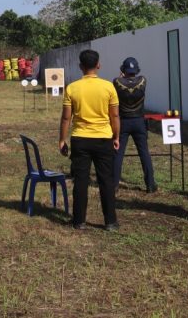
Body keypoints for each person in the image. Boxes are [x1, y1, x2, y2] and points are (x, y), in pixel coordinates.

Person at [58, 49, 120, 231]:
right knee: (106, 181)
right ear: (98, 65)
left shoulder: (72, 88)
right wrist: (116, 136)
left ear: (80, 67)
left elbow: (65, 118)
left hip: (80, 139)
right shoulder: (108, 87)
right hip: (103, 138)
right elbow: (115, 116)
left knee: (81, 180)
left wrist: (62, 139)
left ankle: (79, 220)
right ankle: (110, 222)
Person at [113, 57, 157, 193]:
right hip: (139, 121)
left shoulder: (117, 82)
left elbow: (119, 81)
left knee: (118, 153)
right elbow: (133, 81)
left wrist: (121, 75)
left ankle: (114, 185)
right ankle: (150, 185)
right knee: (144, 153)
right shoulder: (143, 80)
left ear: (123, 70)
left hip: (124, 121)